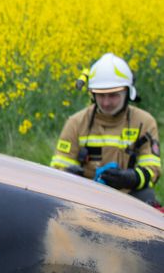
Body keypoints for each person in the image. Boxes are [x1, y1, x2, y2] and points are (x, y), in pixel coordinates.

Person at [50, 53, 160, 206]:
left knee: (147, 194)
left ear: (127, 92)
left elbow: (152, 170)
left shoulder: (144, 122)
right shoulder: (76, 123)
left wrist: (130, 178)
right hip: (85, 199)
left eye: (113, 95)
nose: (106, 102)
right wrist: (70, 174)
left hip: (129, 197)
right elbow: (58, 168)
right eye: (101, 95)